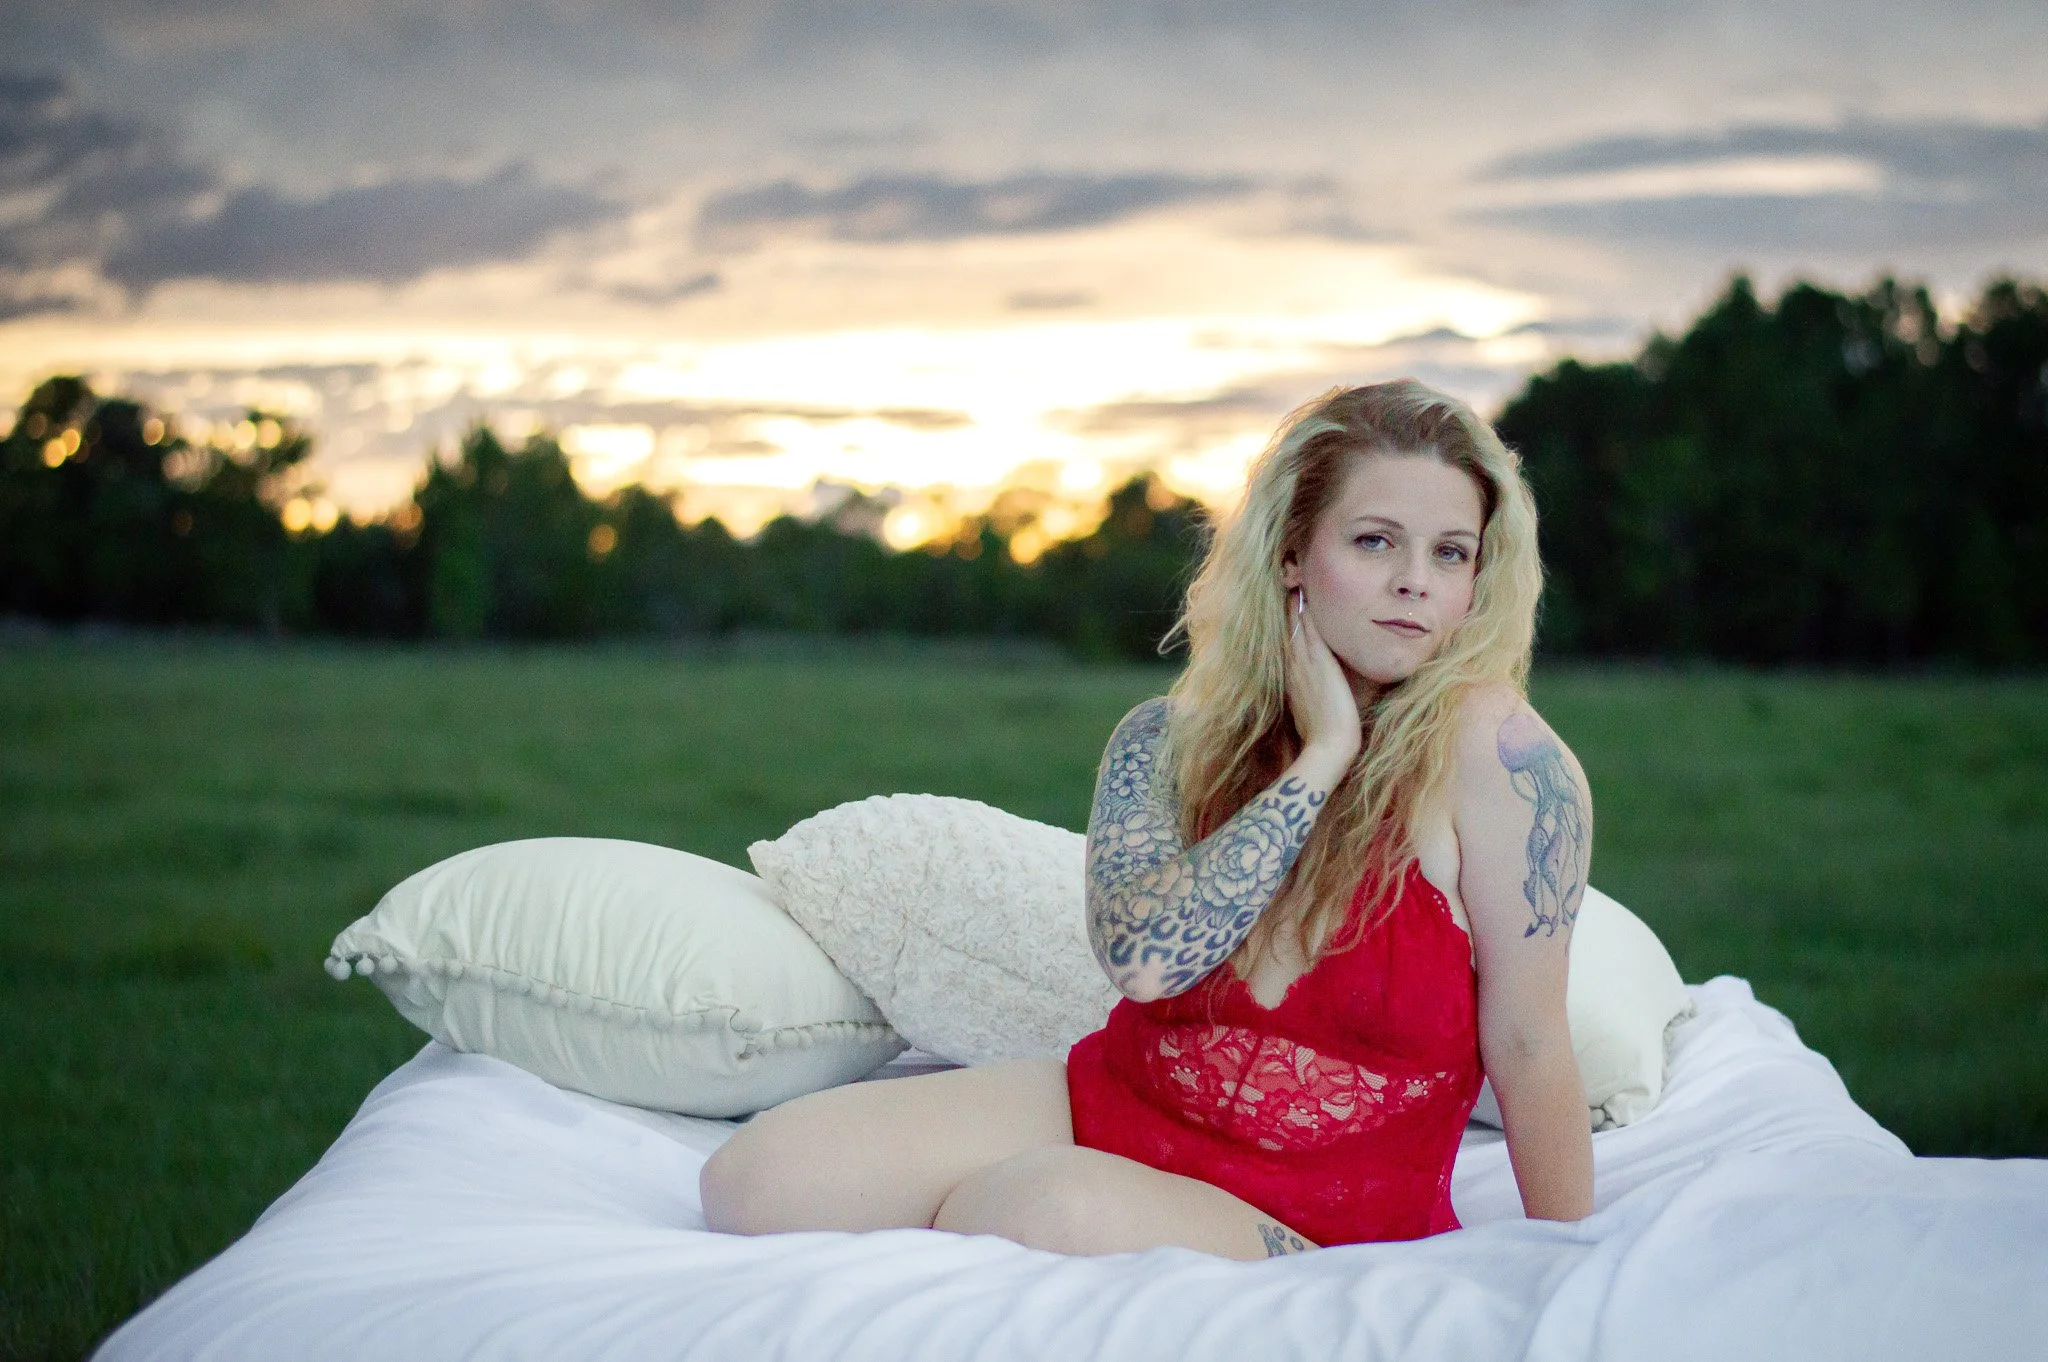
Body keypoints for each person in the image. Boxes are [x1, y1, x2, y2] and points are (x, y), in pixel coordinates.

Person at [700, 378, 1593, 1259]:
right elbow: (1144, 959)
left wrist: (1572, 1269)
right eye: (1374, 542)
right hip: (1129, 1103)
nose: (1413, 584)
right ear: (1290, 552)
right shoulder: (1167, 741)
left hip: (1330, 1208)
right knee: (755, 1182)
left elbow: (1528, 1041)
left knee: (1037, 1206)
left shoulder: (1504, 758)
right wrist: (1322, 757)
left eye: (1450, 553)